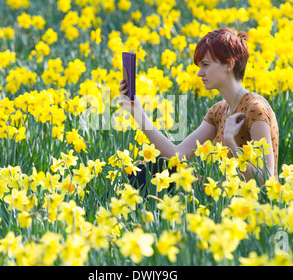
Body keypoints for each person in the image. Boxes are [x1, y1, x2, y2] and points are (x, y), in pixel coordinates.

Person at [119, 27, 279, 188]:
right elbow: (178, 155)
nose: (200, 73)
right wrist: (137, 113)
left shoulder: (255, 109)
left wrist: (231, 142)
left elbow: (266, 179)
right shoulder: (219, 111)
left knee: (158, 168)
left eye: (205, 65)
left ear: (229, 64)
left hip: (252, 205)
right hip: (224, 195)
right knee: (147, 166)